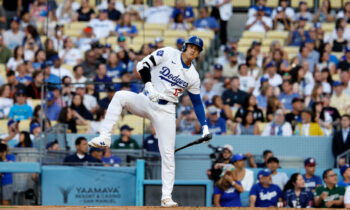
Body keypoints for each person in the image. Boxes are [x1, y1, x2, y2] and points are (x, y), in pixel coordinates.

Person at [88, 36, 211, 206]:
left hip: (167, 110)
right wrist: (149, 86)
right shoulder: (168, 53)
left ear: (198, 53)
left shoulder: (193, 76)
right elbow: (142, 65)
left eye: (197, 49)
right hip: (146, 99)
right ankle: (105, 136)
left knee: (168, 154)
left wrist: (204, 125)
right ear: (185, 46)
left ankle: (166, 197)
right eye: (191, 46)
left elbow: (197, 102)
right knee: (120, 96)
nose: (193, 50)